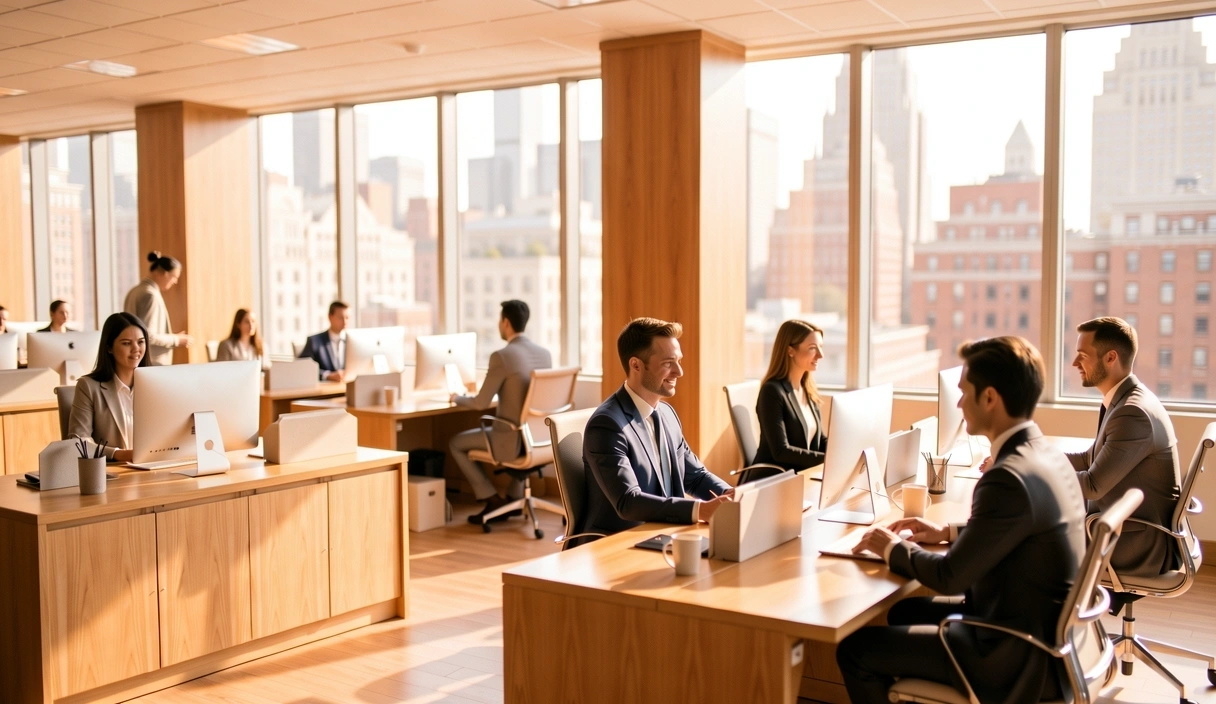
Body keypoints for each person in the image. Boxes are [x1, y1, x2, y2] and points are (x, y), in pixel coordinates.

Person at [840, 336, 1086, 704]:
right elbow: (1017, 527)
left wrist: (890, 546)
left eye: (963, 393)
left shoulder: (1007, 477)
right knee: (904, 610)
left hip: (1012, 655)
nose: (958, 403)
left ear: (989, 398)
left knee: (854, 650)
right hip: (1041, 635)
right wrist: (949, 531)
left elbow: (950, 577)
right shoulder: (1044, 454)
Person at [580, 318, 733, 542]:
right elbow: (628, 502)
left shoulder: (667, 414)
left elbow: (696, 478)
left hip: (664, 534)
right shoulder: (607, 425)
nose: (679, 371)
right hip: (621, 543)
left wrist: (732, 497)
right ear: (636, 365)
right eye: (668, 363)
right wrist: (699, 510)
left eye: (679, 361)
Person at [1067, 316, 1181, 578]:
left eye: (1082, 355)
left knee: (1032, 541)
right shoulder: (1123, 399)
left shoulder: (1132, 412)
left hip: (1135, 545)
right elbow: (1089, 459)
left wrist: (1030, 472)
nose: (1075, 363)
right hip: (1126, 529)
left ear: (1110, 358)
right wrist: (1031, 457)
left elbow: (1093, 486)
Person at [449, 300, 553, 525]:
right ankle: (514, 498)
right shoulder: (545, 355)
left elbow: (480, 403)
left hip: (510, 439)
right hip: (539, 439)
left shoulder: (502, 356)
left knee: (456, 443)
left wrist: (456, 398)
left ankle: (491, 498)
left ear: (505, 322)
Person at [67, 312, 149, 462]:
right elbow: (78, 442)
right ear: (109, 348)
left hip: (154, 468)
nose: (136, 348)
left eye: (141, 342)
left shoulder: (155, 386)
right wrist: (119, 454)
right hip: (112, 473)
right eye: (126, 343)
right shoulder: (88, 387)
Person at [754, 319, 827, 472]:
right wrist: (828, 460)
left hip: (801, 475)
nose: (820, 355)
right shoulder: (772, 391)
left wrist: (843, 453)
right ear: (790, 351)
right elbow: (781, 451)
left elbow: (819, 439)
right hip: (774, 481)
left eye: (820, 347)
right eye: (813, 348)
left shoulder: (807, 389)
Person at [123, 251, 192, 365]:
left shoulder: (134, 291)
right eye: (174, 277)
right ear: (165, 274)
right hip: (152, 363)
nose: (175, 282)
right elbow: (147, 335)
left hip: (139, 360)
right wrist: (175, 340)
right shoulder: (150, 295)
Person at [298, 301, 351, 382]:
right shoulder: (314, 341)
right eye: (340, 317)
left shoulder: (352, 342)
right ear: (330, 317)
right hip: (325, 390)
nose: (345, 322)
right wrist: (327, 375)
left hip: (347, 386)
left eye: (347, 317)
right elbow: (301, 367)